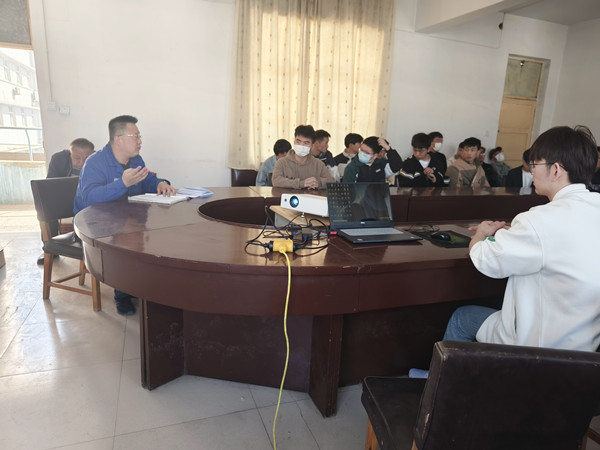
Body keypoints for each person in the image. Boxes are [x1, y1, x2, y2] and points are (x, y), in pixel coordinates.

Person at [444, 125, 600, 352]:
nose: (532, 171)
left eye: (535, 165)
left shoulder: (539, 220)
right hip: (585, 350)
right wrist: (512, 231)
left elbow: (487, 259)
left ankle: (442, 376)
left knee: (463, 317)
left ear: (556, 170)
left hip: (538, 348)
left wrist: (481, 234)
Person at [74, 115, 176, 315]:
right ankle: (122, 294)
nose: (140, 141)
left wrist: (160, 183)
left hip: (128, 219)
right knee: (127, 240)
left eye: (139, 136)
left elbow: (146, 180)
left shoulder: (135, 160)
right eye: (135, 136)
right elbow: (89, 198)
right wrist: (122, 183)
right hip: (97, 225)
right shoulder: (95, 162)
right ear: (118, 139)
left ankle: (139, 286)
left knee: (149, 237)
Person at [36, 138, 95, 265]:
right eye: (77, 158)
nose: (81, 163)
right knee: (45, 209)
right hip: (63, 198)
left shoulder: (98, 160)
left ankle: (90, 247)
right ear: (70, 153)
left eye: (86, 158)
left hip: (86, 199)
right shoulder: (58, 159)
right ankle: (48, 250)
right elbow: (50, 184)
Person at [272, 125, 335, 189]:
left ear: (312, 145)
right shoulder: (282, 162)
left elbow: (331, 181)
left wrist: (318, 183)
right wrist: (301, 183)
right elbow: (276, 181)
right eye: (298, 141)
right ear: (294, 142)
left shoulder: (318, 164)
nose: (301, 145)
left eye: (306, 143)